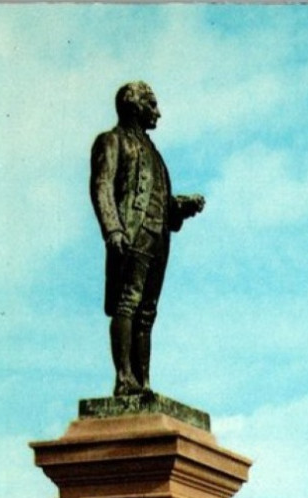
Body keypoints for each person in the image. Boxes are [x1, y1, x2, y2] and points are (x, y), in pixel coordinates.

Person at [90, 82, 205, 395]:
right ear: (134, 105)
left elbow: (157, 198)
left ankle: (143, 381)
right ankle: (124, 378)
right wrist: (113, 229)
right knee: (128, 302)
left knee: (147, 310)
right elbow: (102, 186)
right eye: (152, 105)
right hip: (131, 233)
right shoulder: (112, 141)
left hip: (158, 238)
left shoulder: (154, 153)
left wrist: (180, 206)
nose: (158, 113)